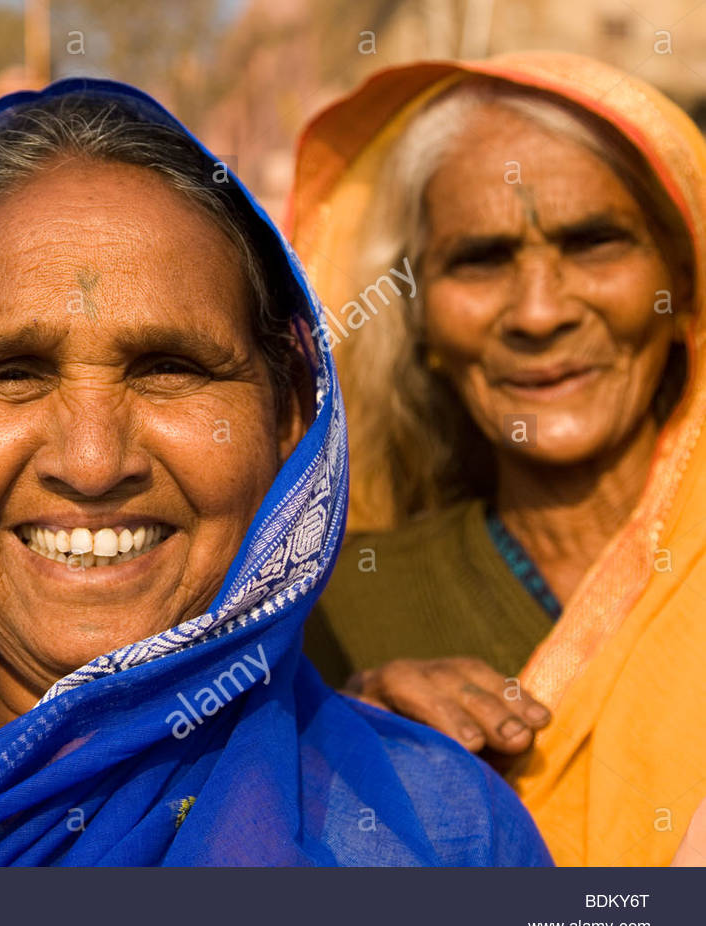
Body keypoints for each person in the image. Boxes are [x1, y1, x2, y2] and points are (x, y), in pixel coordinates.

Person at [0, 80, 550, 867]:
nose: (92, 465)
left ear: (290, 418)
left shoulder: (439, 837)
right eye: (9, 376)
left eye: (171, 368)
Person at [288, 53, 706, 865]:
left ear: (683, 285)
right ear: (422, 324)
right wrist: (342, 742)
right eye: (480, 258)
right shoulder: (332, 603)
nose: (540, 311)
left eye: (595, 243)